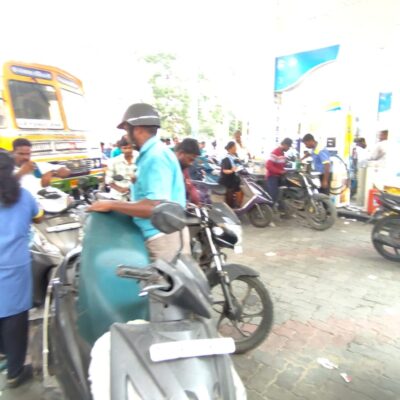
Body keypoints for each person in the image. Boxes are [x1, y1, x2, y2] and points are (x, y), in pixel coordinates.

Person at [88, 103, 189, 262]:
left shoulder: (155, 157)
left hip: (162, 238)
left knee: (164, 279)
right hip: (159, 234)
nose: (126, 137)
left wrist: (111, 204)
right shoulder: (150, 154)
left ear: (138, 129)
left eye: (126, 130)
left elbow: (154, 207)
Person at [0, 151, 43, 388]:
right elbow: (38, 216)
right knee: (15, 318)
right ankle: (15, 372)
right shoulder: (24, 196)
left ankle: (3, 352)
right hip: (15, 265)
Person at [105, 136, 138, 201]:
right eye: (125, 148)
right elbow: (108, 180)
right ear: (120, 149)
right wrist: (120, 189)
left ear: (133, 147)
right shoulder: (114, 161)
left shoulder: (139, 158)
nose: (128, 150)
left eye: (130, 148)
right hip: (118, 197)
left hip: (135, 196)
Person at [265, 138, 293, 204]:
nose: (289, 148)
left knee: (280, 196)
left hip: (278, 177)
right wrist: (280, 171)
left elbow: (279, 165)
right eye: (288, 146)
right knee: (272, 197)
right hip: (272, 177)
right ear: (284, 144)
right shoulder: (275, 152)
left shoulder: (282, 153)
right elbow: (268, 166)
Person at [175, 138, 201, 205]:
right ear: (181, 153)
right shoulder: (166, 168)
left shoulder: (183, 168)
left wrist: (197, 202)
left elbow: (190, 186)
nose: (191, 164)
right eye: (190, 160)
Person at [219, 141, 243, 208]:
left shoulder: (235, 156)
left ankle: (238, 206)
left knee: (239, 191)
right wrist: (232, 170)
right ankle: (230, 208)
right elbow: (224, 171)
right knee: (230, 197)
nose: (236, 148)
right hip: (228, 181)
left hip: (235, 179)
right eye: (235, 147)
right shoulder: (225, 158)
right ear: (230, 148)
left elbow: (239, 164)